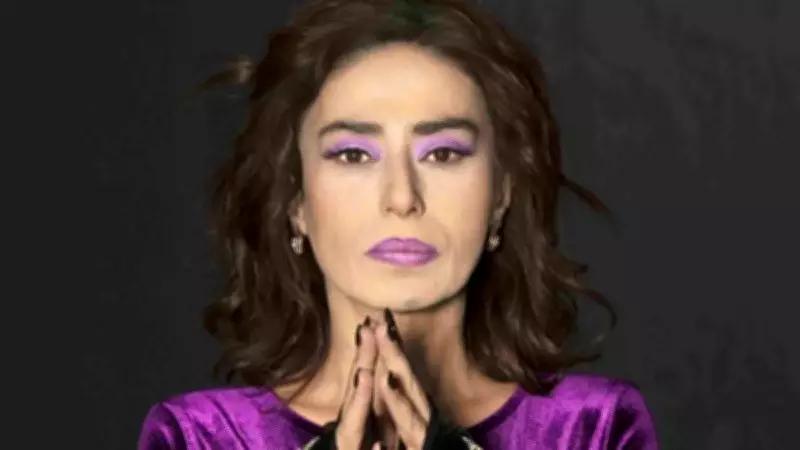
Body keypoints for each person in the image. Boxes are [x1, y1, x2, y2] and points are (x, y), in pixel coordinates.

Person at [138, 0, 659, 448]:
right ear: (295, 201)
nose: (402, 198)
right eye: (353, 155)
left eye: (443, 153)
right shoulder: (197, 437)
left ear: (500, 196)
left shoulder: (596, 428)